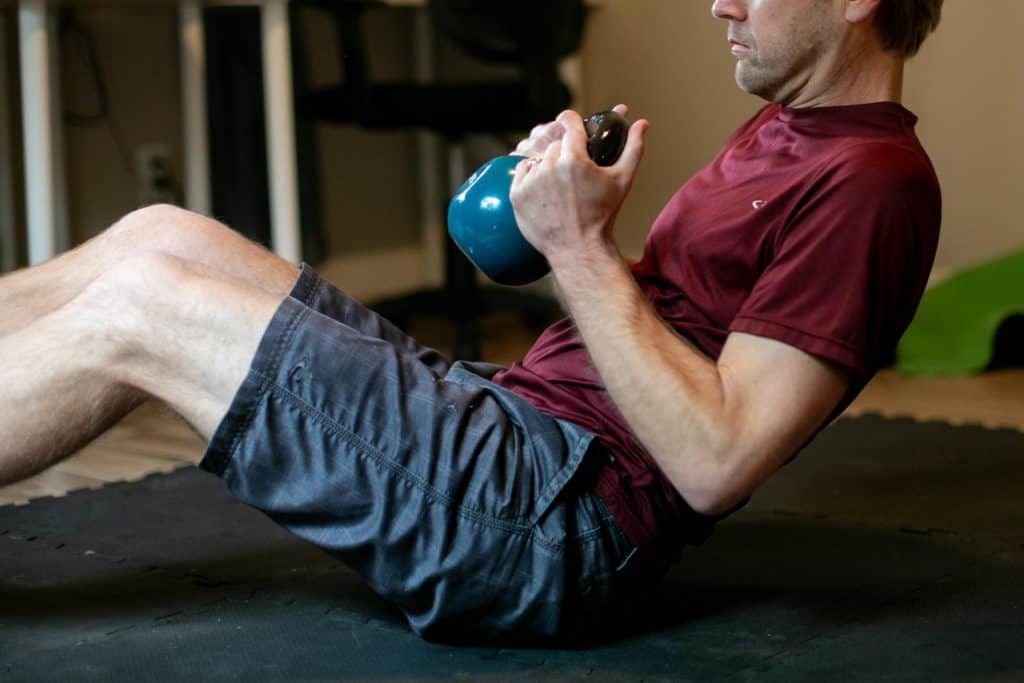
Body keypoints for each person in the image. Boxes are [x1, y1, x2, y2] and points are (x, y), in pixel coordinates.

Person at [0, 0, 942, 644]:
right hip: (510, 424)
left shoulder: (872, 184)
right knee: (161, 236)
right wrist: (564, 225)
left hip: (544, 521)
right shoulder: (787, 129)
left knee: (141, 310)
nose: (719, 5)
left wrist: (577, 246)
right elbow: (669, 334)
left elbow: (716, 460)